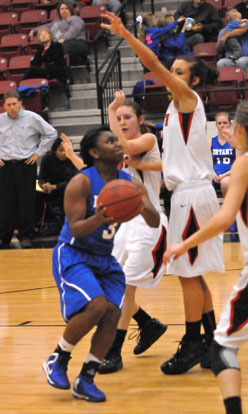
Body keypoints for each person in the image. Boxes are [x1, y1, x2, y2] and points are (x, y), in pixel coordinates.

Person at [101, 12, 225, 375]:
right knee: (195, 273)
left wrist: (125, 33)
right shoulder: (174, 109)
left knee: (187, 274)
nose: (171, 74)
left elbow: (151, 61)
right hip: (186, 194)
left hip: (190, 195)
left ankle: (190, 344)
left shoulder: (187, 99)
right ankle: (211, 343)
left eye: (179, 71)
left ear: (193, 80)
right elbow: (170, 161)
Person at [42, 125, 160, 402]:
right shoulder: (82, 182)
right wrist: (100, 217)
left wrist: (140, 205)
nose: (117, 143)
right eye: (109, 141)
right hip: (73, 253)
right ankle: (58, 357)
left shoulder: (128, 182)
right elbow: (77, 228)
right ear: (94, 152)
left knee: (111, 314)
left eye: (116, 139)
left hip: (104, 259)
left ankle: (86, 378)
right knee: (95, 305)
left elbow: (154, 221)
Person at [163, 99, 248, 414]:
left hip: (193, 200)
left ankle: (195, 346)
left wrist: (184, 245)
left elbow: (225, 219)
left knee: (223, 349)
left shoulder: (242, 165)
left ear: (238, 130)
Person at [98, 91, 168, 374]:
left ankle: (113, 351)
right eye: (119, 118)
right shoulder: (122, 151)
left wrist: (112, 111)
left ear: (140, 119)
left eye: (127, 117)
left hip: (149, 221)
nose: (123, 121)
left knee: (125, 286)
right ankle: (148, 324)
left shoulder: (148, 140)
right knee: (115, 284)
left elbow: (124, 146)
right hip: (126, 223)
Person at [0, 90, 57, 249]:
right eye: (9, 104)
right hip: (5, 166)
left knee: (26, 201)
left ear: (20, 104)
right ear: (4, 106)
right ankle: (4, 237)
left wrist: (38, 152)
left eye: (15, 104)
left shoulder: (32, 118)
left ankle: (25, 235)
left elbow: (51, 134)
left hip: (26, 164)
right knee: (5, 202)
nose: (12, 107)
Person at [35, 137, 79, 227]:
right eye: (61, 150)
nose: (64, 154)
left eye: (66, 151)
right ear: (55, 150)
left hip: (67, 190)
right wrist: (44, 185)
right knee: (33, 195)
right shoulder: (47, 159)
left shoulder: (73, 160)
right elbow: (41, 177)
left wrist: (55, 187)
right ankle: (39, 224)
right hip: (49, 190)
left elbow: (73, 181)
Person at [30, 1, 88, 65]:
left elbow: (73, 31)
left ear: (70, 10)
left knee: (56, 48)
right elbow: (46, 26)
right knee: (43, 48)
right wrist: (34, 30)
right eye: (62, 9)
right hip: (59, 44)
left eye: (66, 8)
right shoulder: (56, 21)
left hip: (75, 43)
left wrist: (63, 39)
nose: (64, 11)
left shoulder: (76, 19)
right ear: (59, 11)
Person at [209, 112, 236, 198]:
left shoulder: (235, 140)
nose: (222, 125)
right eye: (219, 123)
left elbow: (240, 163)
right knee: (203, 183)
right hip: (215, 174)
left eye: (225, 123)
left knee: (225, 182)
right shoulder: (211, 141)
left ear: (230, 124)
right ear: (216, 125)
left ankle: (228, 208)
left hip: (230, 173)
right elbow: (207, 163)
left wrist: (224, 175)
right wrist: (214, 175)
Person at [217, 11, 248, 75]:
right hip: (230, 58)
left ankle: (243, 82)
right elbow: (218, 50)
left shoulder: (244, 26)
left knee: (241, 61)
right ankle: (227, 84)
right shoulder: (223, 31)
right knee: (221, 62)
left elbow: (243, 30)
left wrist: (226, 36)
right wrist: (220, 43)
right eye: (227, 15)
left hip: (245, 57)